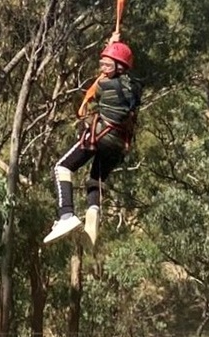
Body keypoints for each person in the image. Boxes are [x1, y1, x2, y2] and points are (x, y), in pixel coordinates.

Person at [43, 39, 141, 250]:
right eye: (102, 65)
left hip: (99, 136)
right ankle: (92, 217)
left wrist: (109, 58)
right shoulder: (134, 87)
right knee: (95, 180)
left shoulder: (106, 84)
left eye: (107, 65)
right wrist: (114, 47)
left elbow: (89, 97)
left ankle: (66, 214)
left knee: (62, 167)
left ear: (119, 67)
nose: (103, 69)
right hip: (118, 145)